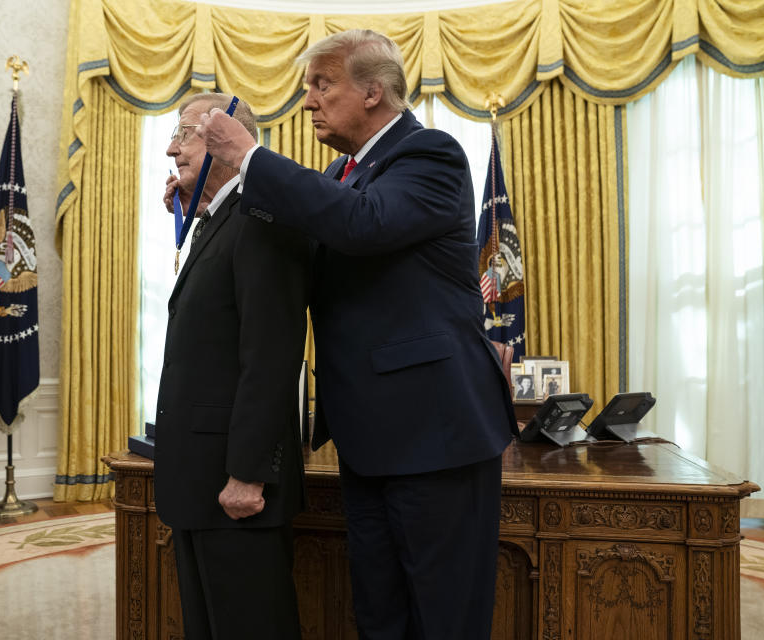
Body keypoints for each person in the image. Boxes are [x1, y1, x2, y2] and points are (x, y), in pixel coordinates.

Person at [198, 29, 519, 640]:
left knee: (445, 616)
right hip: (368, 437)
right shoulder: (341, 173)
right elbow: (301, 248)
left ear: (373, 91)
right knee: (378, 614)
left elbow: (363, 225)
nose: (309, 99)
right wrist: (210, 192)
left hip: (437, 434)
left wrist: (251, 158)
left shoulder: (430, 154)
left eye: (323, 84)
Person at [151, 93, 310, 640]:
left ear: (223, 137)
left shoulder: (262, 216)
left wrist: (248, 472)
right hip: (201, 478)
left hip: (236, 485)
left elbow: (270, 355)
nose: (171, 149)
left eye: (185, 133)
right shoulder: (218, 221)